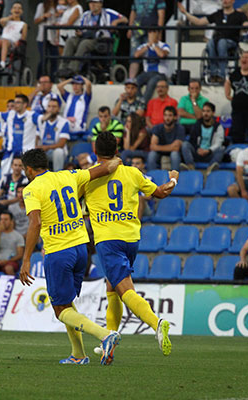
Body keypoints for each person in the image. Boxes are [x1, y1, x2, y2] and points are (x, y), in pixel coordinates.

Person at [19, 145, 123, 366]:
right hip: (81, 249)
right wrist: (117, 161)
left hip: (59, 251)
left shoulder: (31, 189)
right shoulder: (69, 175)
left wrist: (26, 259)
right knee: (66, 303)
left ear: (29, 169)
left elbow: (35, 222)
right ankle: (78, 355)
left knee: (60, 309)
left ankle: (104, 335)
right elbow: (104, 168)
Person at [80, 131, 175, 357]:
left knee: (124, 290)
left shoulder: (88, 176)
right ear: (117, 150)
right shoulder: (133, 173)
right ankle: (109, 343)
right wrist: (173, 179)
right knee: (112, 287)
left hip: (108, 240)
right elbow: (160, 193)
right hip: (131, 239)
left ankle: (156, 322)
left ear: (95, 151)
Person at [178, 0, 248, 83]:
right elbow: (199, 22)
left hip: (231, 41)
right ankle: (213, 74)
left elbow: (246, 25)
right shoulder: (217, 14)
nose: (225, 1)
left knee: (221, 43)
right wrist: (185, 13)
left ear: (233, 1)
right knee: (211, 43)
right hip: (217, 40)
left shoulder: (239, 15)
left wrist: (246, 25)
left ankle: (221, 74)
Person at [57, 0, 127, 78]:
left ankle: (72, 70)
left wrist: (116, 21)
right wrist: (79, 32)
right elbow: (81, 28)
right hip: (85, 36)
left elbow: (125, 19)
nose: (92, 5)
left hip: (101, 40)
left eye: (95, 2)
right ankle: (62, 69)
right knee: (70, 41)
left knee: (85, 44)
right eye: (90, 3)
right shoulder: (86, 14)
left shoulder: (108, 12)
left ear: (100, 3)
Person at [180, 102, 224, 174]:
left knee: (221, 148)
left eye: (208, 111)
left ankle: (210, 168)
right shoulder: (197, 124)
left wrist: (208, 150)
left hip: (210, 154)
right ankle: (190, 166)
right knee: (185, 144)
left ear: (213, 113)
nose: (205, 113)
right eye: (203, 111)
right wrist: (198, 149)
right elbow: (192, 140)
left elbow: (218, 142)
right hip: (197, 152)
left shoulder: (218, 126)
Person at [127, 1, 166, 79]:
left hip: (151, 31)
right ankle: (131, 80)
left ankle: (148, 77)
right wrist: (130, 28)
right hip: (136, 31)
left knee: (150, 54)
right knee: (134, 56)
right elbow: (133, 12)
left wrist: (159, 32)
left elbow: (161, 15)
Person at [134, 27, 169, 104]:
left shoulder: (164, 45)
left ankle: (142, 105)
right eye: (150, 32)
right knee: (135, 82)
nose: (152, 34)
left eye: (154, 32)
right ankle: (140, 103)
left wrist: (154, 45)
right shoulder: (144, 46)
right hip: (146, 73)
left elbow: (162, 55)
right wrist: (147, 46)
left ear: (158, 33)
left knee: (151, 83)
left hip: (160, 74)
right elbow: (136, 55)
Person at [0, 2, 27, 72]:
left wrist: (19, 42)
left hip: (12, 43)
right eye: (15, 8)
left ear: (22, 11)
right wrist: (10, 17)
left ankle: (2, 63)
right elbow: (0, 21)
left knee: (4, 41)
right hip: (2, 41)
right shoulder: (7, 21)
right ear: (11, 10)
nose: (17, 10)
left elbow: (23, 37)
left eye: (19, 8)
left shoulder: (23, 24)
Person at [37, 98, 70, 172]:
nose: (51, 109)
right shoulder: (41, 121)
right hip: (43, 152)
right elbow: (36, 138)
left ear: (58, 109)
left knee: (58, 151)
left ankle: (57, 176)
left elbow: (61, 144)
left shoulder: (64, 122)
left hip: (55, 152)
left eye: (54, 107)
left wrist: (47, 147)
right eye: (49, 106)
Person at [147, 106, 184, 171]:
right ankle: (151, 178)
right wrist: (170, 147)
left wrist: (158, 147)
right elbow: (152, 146)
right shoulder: (157, 128)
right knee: (152, 155)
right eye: (165, 115)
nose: (167, 118)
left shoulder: (180, 128)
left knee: (174, 154)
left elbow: (176, 148)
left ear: (175, 117)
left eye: (170, 115)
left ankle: (174, 179)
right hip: (160, 153)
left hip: (173, 153)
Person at [34, 0, 59, 78]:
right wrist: (43, 16)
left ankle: (52, 79)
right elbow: (35, 20)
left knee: (54, 59)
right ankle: (40, 78)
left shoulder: (58, 6)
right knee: (43, 59)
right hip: (42, 36)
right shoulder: (41, 6)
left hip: (53, 37)